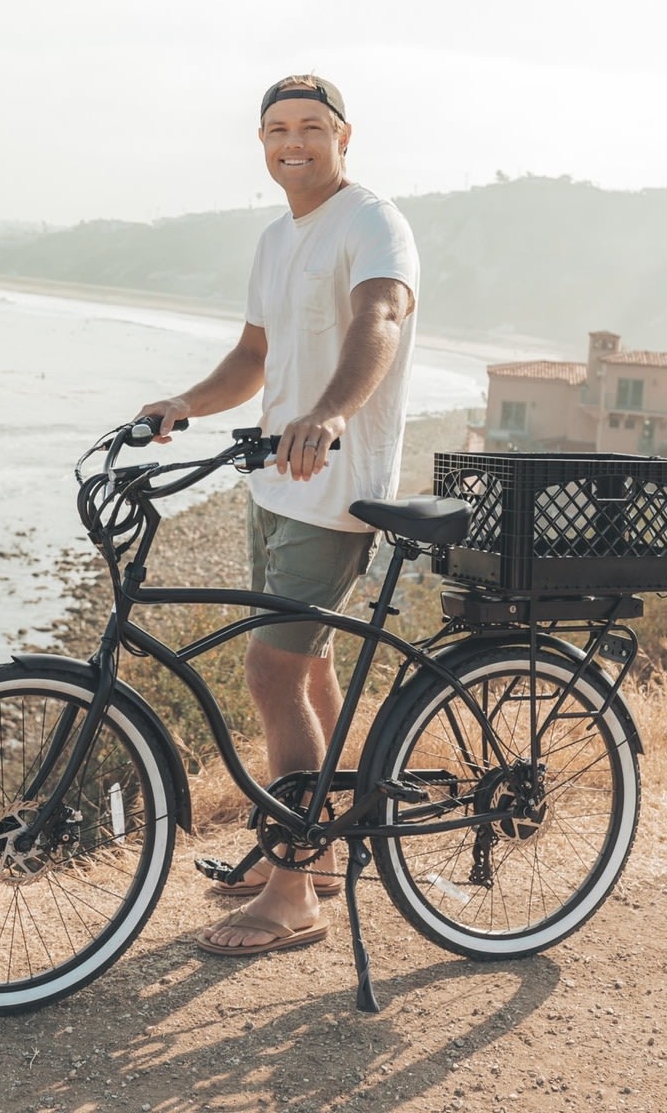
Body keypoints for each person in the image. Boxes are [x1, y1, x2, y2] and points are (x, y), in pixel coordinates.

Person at [138, 73, 419, 959]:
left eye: (308, 128)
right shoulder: (276, 237)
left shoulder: (373, 222)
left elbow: (380, 317)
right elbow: (254, 356)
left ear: (344, 136)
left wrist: (332, 413)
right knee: (310, 664)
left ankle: (293, 893)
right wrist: (183, 404)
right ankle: (320, 846)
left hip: (335, 488)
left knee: (271, 673)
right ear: (262, 144)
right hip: (274, 483)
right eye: (274, 130)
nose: (290, 143)